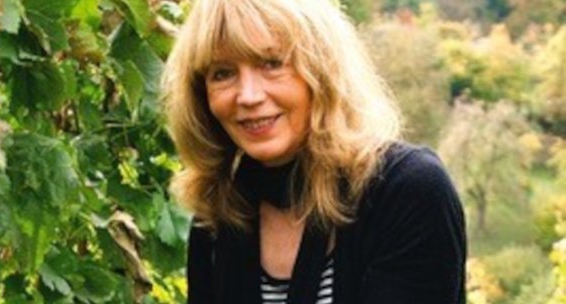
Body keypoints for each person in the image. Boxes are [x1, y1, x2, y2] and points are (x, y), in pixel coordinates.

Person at [160, 0, 467, 303]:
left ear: (322, 71)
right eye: (223, 73)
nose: (248, 96)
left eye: (272, 63)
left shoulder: (409, 191)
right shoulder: (220, 212)